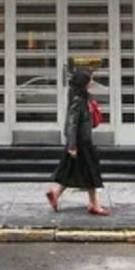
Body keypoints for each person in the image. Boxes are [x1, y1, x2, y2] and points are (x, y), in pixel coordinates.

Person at [45, 67, 110, 216]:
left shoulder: (85, 98)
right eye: (90, 78)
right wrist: (72, 145)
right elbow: (72, 124)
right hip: (81, 143)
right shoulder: (78, 100)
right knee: (91, 173)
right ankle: (94, 205)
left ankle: (55, 194)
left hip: (82, 141)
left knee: (72, 172)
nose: (92, 81)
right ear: (84, 81)